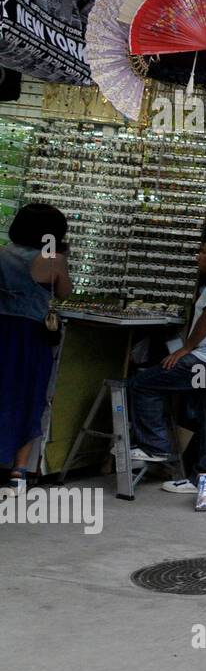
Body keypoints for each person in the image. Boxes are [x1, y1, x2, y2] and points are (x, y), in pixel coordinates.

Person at [131, 237, 206, 494]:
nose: (198, 256)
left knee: (143, 383)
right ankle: (202, 479)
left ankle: (155, 445)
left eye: (203, 251)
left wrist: (186, 349)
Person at [0, 203, 72, 488]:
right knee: (28, 397)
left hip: (2, 329)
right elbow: (65, 293)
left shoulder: (2, 254)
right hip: (31, 338)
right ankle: (19, 470)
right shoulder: (52, 260)